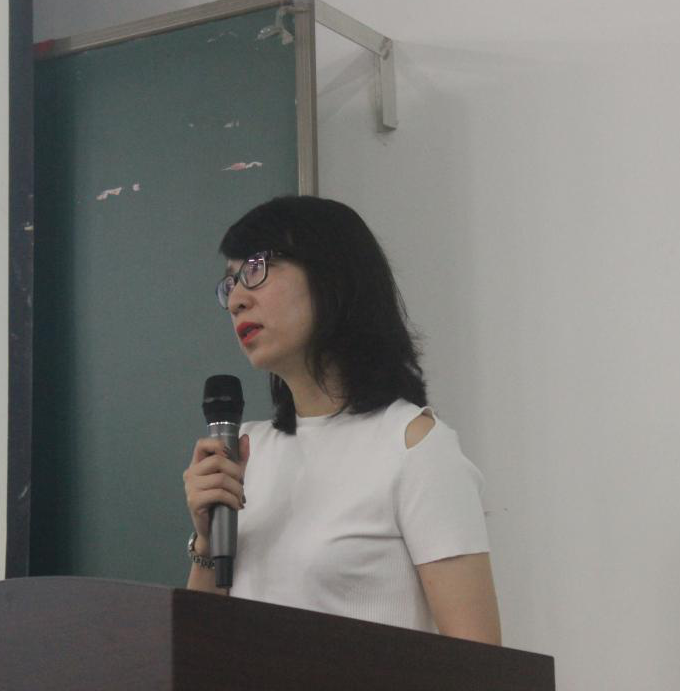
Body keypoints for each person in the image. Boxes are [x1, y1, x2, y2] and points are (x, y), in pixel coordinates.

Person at [183, 196, 501, 644]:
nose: (236, 300)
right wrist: (204, 543)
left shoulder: (414, 447)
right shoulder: (246, 452)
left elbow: (479, 663)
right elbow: (196, 647)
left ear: (331, 274)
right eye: (230, 284)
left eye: (255, 269)